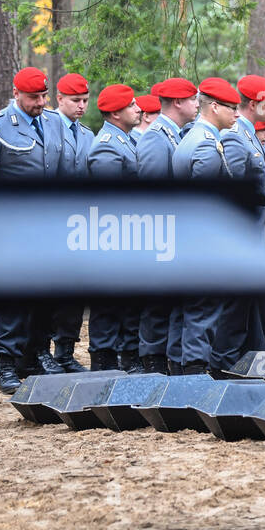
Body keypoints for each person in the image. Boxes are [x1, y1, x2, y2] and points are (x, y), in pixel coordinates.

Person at [0, 66, 66, 393]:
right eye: (33, 97)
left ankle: (37, 355)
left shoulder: (54, 122)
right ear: (16, 94)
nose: (40, 102)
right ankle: (7, 363)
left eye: (43, 95)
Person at [207, 75, 265, 376]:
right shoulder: (236, 137)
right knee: (236, 313)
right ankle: (221, 369)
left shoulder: (251, 137)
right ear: (254, 103)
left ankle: (253, 368)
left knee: (256, 312)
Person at [173, 76, 241, 374]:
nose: (237, 114)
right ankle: (195, 375)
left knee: (186, 313)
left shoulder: (191, 138)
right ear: (214, 107)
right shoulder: (206, 145)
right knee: (204, 312)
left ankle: (181, 372)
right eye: (232, 108)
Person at [135, 77, 198, 375]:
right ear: (177, 103)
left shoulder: (176, 135)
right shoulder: (155, 138)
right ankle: (153, 363)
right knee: (157, 306)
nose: (197, 104)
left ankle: (164, 363)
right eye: (192, 99)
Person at [85, 83, 144, 372]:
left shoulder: (125, 140)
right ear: (117, 113)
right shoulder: (108, 145)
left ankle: (124, 361)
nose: (138, 109)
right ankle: (104, 365)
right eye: (132, 105)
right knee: (109, 306)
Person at [45, 72, 96, 373]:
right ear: (59, 99)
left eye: (85, 101)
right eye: (75, 100)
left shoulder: (87, 135)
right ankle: (41, 351)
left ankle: (65, 350)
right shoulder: (47, 129)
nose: (81, 106)